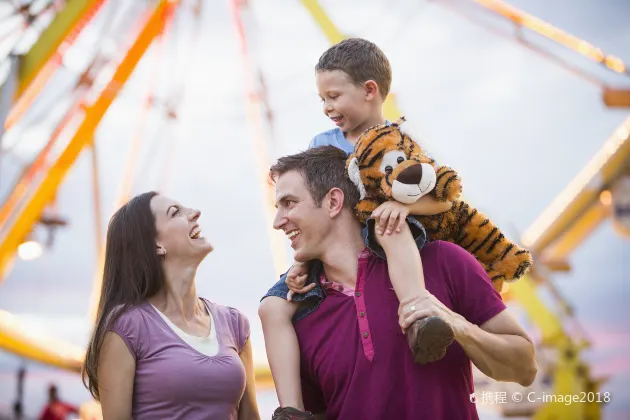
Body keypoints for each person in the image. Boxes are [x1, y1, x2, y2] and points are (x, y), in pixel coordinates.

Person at [263, 146, 538, 419]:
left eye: (289, 203)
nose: (277, 222)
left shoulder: (443, 261)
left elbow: (525, 368)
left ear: (334, 202)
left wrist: (458, 325)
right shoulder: (299, 317)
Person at [259, 38, 455, 419]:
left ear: (369, 91)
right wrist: (303, 263)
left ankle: (418, 315)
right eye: (322, 100)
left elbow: (443, 196)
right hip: (334, 248)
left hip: (386, 234)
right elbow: (314, 210)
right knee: (271, 307)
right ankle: (291, 410)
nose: (328, 108)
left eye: (333, 96)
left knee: (388, 226)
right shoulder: (323, 145)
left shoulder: (401, 144)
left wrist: (401, 203)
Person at [81, 192, 260, 420]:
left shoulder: (234, 323)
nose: (195, 213)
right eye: (175, 212)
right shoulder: (126, 326)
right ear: (156, 245)